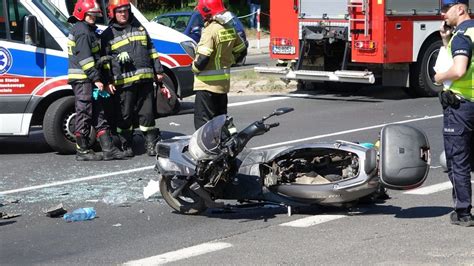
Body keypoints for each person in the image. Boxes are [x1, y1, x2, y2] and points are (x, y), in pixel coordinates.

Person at [101, 0, 164, 157]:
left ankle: (150, 143)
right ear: (113, 13)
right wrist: (108, 81)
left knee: (147, 114)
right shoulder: (108, 34)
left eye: (126, 11)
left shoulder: (140, 28)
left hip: (145, 79)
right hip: (124, 83)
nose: (123, 14)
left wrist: (158, 70)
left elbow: (151, 50)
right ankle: (126, 144)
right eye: (120, 11)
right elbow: (104, 61)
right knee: (125, 115)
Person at [67, 0, 125, 161]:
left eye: (95, 15)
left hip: (88, 79)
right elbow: (86, 59)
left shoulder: (87, 29)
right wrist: (96, 79)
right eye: (91, 15)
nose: (94, 18)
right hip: (83, 79)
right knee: (84, 112)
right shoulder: (83, 32)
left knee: (98, 112)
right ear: (82, 13)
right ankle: (82, 150)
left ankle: (108, 149)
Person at [434, 0, 474, 227]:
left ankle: (463, 213)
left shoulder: (462, 36)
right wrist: (445, 41)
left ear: (461, 9)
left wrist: (439, 77)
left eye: (445, 8)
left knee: (458, 160)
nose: (442, 13)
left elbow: (459, 69)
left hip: (461, 108)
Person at [193, 0, 247, 129]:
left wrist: (194, 68)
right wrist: (230, 60)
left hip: (206, 85)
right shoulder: (229, 28)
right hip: (223, 85)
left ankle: (207, 149)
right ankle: (225, 146)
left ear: (206, 12)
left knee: (203, 126)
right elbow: (242, 49)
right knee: (221, 122)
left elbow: (203, 59)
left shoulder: (210, 30)